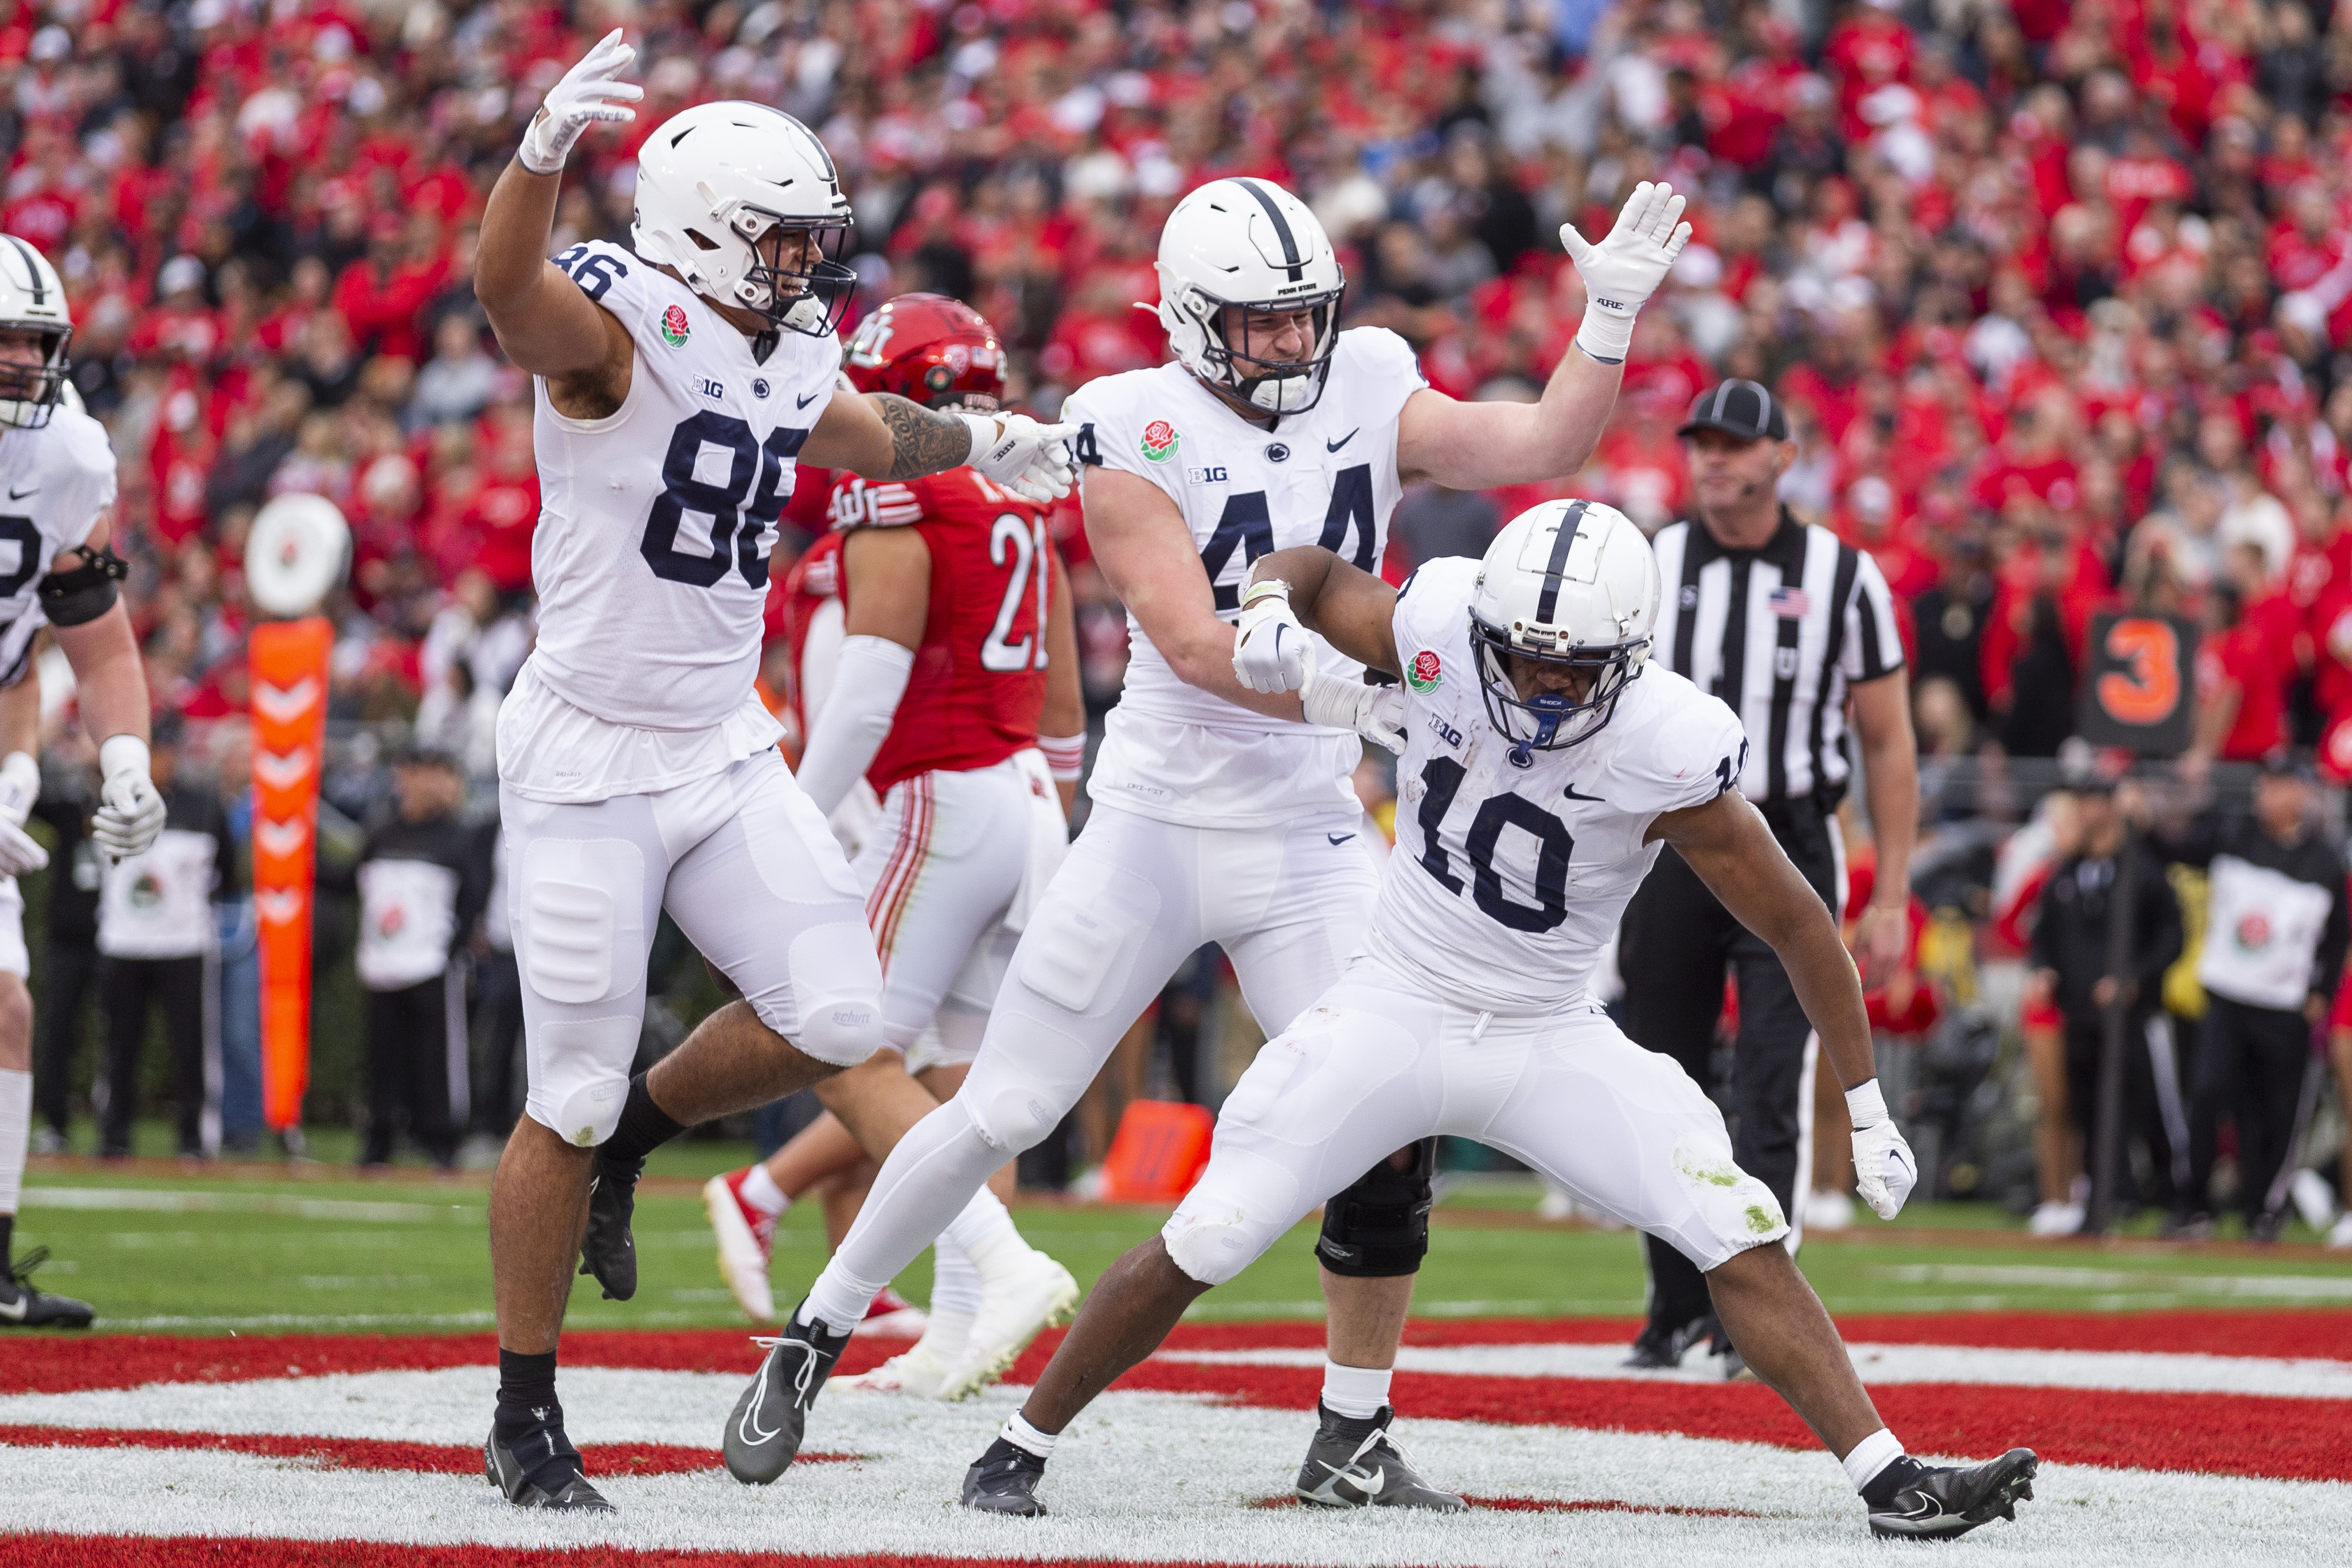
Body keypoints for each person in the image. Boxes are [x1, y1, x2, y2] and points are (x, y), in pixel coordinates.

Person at [721, 177, 1695, 1502]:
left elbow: (1541, 445)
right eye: (1264, 324)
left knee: (1388, 1124)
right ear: (1187, 319)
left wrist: (1612, 318)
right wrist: (1356, 690)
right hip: (1160, 821)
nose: (1295, 346)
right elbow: (1185, 633)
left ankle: (1353, 1428)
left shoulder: (1369, 379)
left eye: (1307, 320)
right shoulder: (1131, 419)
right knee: (1006, 1101)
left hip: (1304, 827)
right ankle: (815, 1329)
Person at [954, 505, 2037, 1542]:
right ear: (1482, 632)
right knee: (1215, 1228)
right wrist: (1269, 602)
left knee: (1733, 1221)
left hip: (1546, 1029)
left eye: (1574, 667)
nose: (1544, 685)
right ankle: (1018, 1443)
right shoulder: (1436, 625)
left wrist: (1863, 1103)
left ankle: (1893, 1483)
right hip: (1397, 998)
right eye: (1522, 658)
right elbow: (1319, 576)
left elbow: (1801, 926)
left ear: (1630, 656)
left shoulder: (1667, 744)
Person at [469, 34, 1076, 1513]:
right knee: (568, 1093)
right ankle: (525, 1408)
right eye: (783, 238)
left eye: (816, 238)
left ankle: (647, 1145)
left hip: (720, 737)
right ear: (697, 233)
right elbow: (506, 294)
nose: (809, 264)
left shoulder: (781, 339)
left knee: (840, 1009)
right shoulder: (614, 320)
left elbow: (861, 426)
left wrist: (995, 440)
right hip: (587, 755)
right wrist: (539, 155)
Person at [701, 294, 1087, 1400]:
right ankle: (956, 1336)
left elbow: (866, 695)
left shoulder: (902, 486)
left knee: (828, 1038)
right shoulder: (1017, 490)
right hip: (1020, 796)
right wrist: (1045, 819)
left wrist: (794, 814)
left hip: (942, 790)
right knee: (966, 1081)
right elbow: (1062, 697)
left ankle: (1001, 1267)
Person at [1618, 381, 1918, 1374]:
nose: (1712, 458)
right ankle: (1669, 1307)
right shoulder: (1654, 562)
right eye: (1700, 441)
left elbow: (1886, 740)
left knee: (1769, 1086)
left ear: (1782, 457)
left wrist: (1887, 890)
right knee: (1658, 1077)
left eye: (1734, 443)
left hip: (1789, 836)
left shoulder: (1843, 574)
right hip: (1670, 839)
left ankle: (1751, 1322)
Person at [0, 232, 171, 1325]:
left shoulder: (67, 456)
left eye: (35, 343)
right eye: (1, 343)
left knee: (4, 1008)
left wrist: (121, 761)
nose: (22, 363)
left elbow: (84, 644)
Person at [2163, 753, 2348, 1239]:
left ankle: (2263, 1208)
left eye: (2283, 785)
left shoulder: (2323, 859)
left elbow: (2337, 935)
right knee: (2207, 1094)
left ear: (2304, 793)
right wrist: (2177, 798)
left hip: (2284, 1000)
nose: (2270, 795)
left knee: (2274, 1113)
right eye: (2266, 784)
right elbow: (2176, 844)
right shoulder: (2233, 835)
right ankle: (2192, 1202)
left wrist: (2320, 992)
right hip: (2228, 992)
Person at [2025, 768, 2185, 1227]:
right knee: (2089, 1109)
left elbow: (2172, 934)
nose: (2087, 810)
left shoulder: (2142, 868)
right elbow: (2044, 934)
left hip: (2133, 1015)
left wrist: (2135, 978)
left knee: (2152, 1104)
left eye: (2095, 800)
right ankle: (2106, 1196)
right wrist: (2044, 969)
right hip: (2079, 1012)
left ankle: (2175, 1194)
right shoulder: (2067, 873)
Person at [330, 746, 489, 1169]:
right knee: (381, 1058)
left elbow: (474, 897)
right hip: (381, 966)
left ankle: (441, 1140)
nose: (425, 784)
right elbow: (348, 881)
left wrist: (451, 949)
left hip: (430, 965)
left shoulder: (457, 836)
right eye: (417, 773)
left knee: (436, 1058)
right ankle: (378, 1139)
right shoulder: (381, 832)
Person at [95, 714, 228, 1162]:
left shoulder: (204, 805)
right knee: (119, 1045)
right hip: (124, 942)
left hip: (183, 945)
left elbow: (226, 872)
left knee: (191, 1047)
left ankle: (195, 1137)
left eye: (167, 751)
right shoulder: (110, 798)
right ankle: (114, 1134)